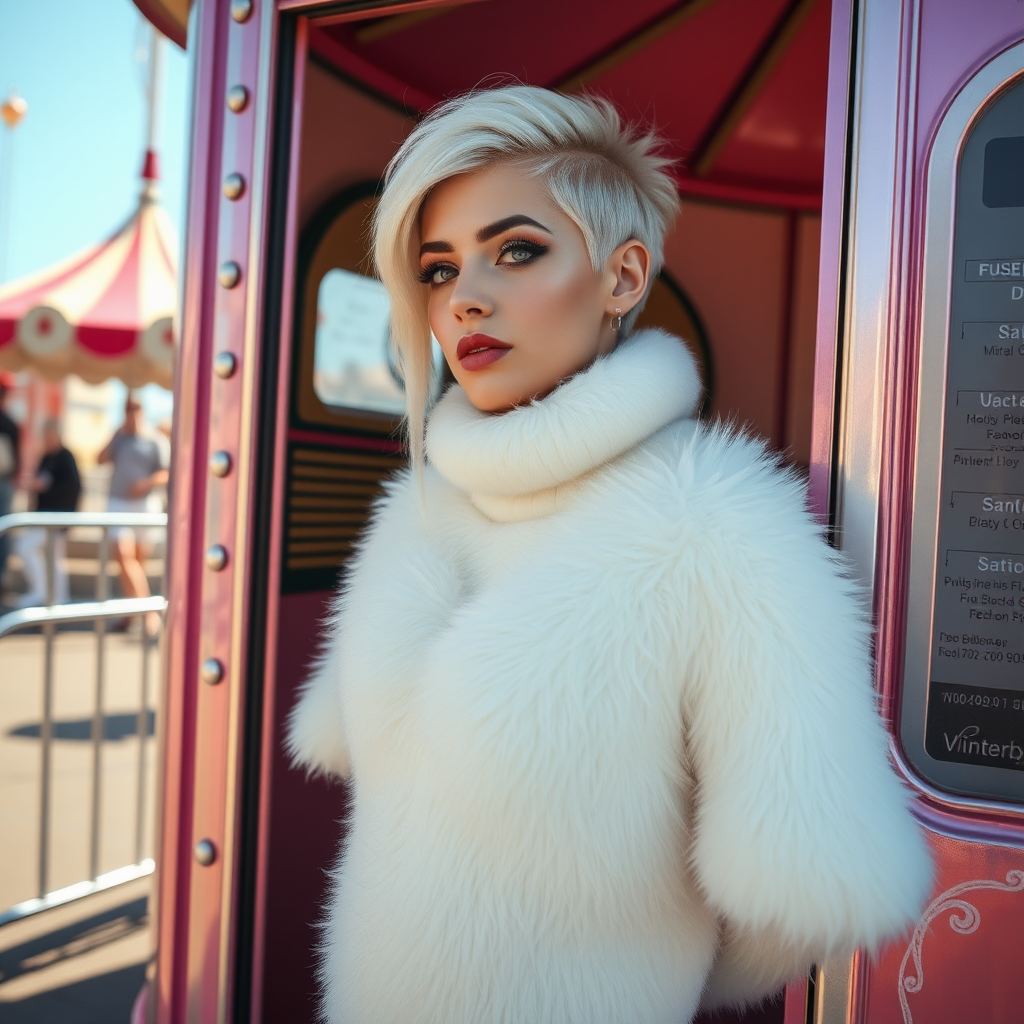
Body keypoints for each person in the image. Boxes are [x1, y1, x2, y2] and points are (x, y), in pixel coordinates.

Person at [287, 87, 932, 1024]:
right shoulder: (420, 510)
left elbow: (804, 889)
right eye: (436, 269)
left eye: (515, 251)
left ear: (623, 278)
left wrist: (630, 979)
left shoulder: (713, 521)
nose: (464, 295)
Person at [98, 395, 169, 633]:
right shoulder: (119, 438)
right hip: (118, 503)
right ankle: (149, 613)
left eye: (136, 410)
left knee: (136, 564)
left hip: (143, 505)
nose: (132, 414)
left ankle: (130, 613)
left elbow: (166, 472)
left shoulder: (155, 439)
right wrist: (114, 435)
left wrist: (145, 483)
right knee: (124, 556)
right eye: (128, 410)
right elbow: (100, 459)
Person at [15, 419, 81, 607]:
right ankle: (55, 598)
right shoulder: (47, 457)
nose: (47, 439)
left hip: (57, 518)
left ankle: (47, 595)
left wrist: (48, 486)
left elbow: (73, 488)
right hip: (43, 517)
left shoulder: (66, 457)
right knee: (53, 559)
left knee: (29, 549)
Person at [0, 371, 20, 598]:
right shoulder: (10, 423)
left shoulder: (10, 423)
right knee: (4, 531)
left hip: (5, 483)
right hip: (4, 484)